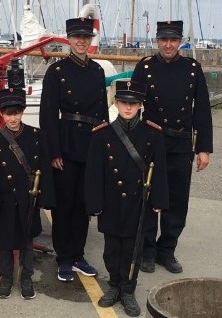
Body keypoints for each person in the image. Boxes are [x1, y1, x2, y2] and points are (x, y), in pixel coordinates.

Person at [131, 20, 213, 274]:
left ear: (180, 42)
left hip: (179, 144)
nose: (168, 44)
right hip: (151, 142)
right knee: (147, 196)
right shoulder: (144, 67)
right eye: (164, 40)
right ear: (157, 40)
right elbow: (131, 106)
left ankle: (166, 249)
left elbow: (201, 110)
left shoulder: (192, 68)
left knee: (177, 200)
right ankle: (147, 250)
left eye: (173, 40)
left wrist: (203, 148)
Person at [85, 80, 169, 317]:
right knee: (111, 248)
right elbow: (94, 172)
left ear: (141, 105)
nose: (128, 108)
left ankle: (128, 289)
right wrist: (94, 203)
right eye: (124, 103)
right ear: (116, 103)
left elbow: (160, 170)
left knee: (133, 249)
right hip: (111, 201)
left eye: (133, 104)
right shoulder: (102, 134)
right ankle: (113, 286)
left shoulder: (153, 133)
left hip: (138, 202)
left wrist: (159, 201)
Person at [39, 17, 109, 282]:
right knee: (64, 203)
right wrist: (54, 151)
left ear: (90, 40)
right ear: (69, 39)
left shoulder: (97, 71)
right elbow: (47, 115)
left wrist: (104, 148)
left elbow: (103, 113)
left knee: (83, 203)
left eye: (86, 37)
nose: (82, 41)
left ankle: (78, 255)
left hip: (91, 143)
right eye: (77, 37)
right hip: (66, 143)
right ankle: (64, 257)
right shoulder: (56, 72)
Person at [0, 88, 55, 299]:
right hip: (4, 200)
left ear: (22, 112)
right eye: (8, 113)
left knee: (27, 241)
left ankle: (27, 278)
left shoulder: (37, 136)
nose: (13, 118)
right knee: (4, 243)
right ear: (1, 114)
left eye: (17, 112)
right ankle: (7, 278)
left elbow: (45, 169)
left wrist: (44, 199)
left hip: (28, 197)